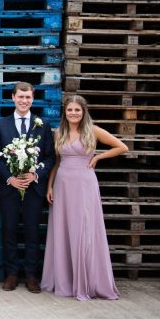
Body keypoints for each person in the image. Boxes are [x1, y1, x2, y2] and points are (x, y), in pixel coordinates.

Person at [41, 95, 127, 301]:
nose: (73, 113)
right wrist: (50, 186)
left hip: (84, 183)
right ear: (65, 112)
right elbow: (57, 162)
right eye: (70, 110)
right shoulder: (58, 132)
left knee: (83, 228)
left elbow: (122, 147)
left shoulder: (93, 130)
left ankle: (87, 280)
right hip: (62, 183)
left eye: (77, 110)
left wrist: (98, 157)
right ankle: (66, 279)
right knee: (63, 228)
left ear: (83, 111)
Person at [0, 82, 55, 293]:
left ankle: (31, 275)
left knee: (32, 231)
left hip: (33, 187)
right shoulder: (1, 125)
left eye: (28, 97)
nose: (24, 101)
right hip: (9, 187)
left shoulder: (43, 124)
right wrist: (10, 178)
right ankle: (11, 274)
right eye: (20, 97)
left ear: (33, 99)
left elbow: (49, 156)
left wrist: (36, 174)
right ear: (13, 97)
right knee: (8, 230)